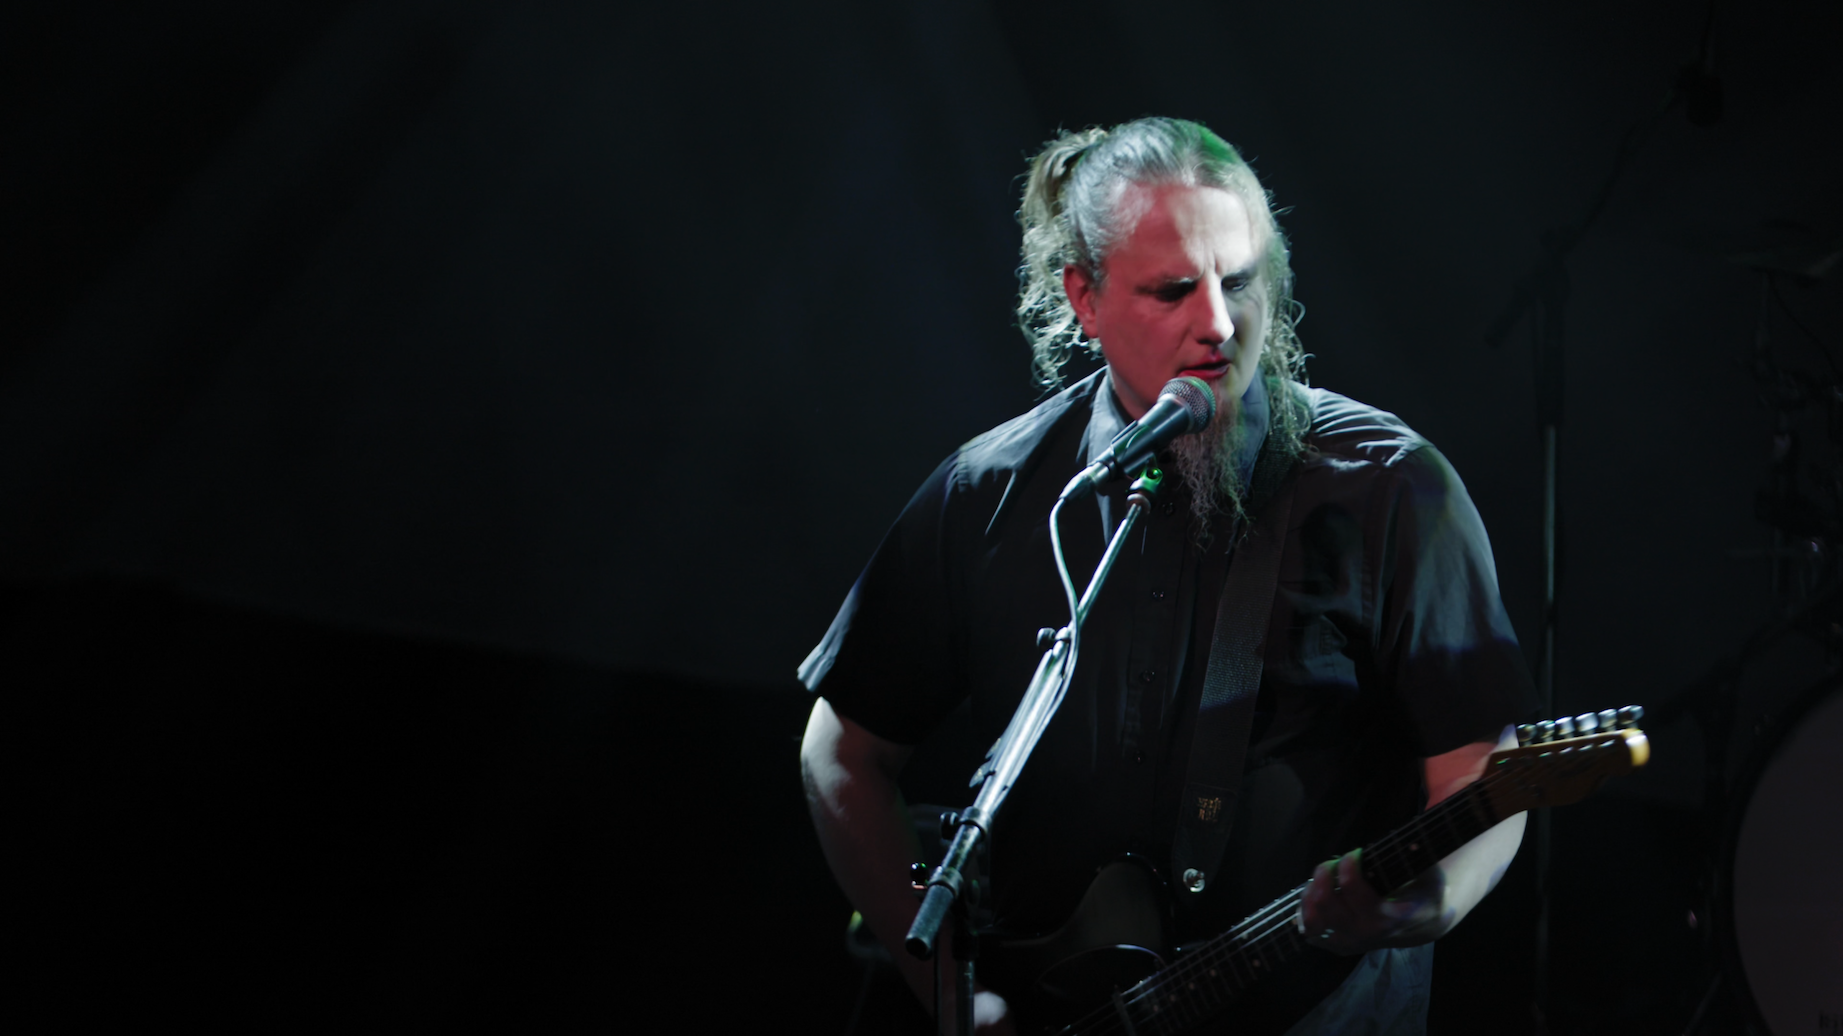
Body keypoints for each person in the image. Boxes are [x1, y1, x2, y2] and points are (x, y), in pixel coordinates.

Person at [799, 117, 1532, 1035]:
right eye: (1173, 290)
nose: (1217, 324)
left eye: (1239, 281)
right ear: (1084, 298)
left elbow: (1484, 763)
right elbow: (841, 753)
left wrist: (1422, 905)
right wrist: (952, 998)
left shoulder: (1387, 486)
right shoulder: (994, 492)